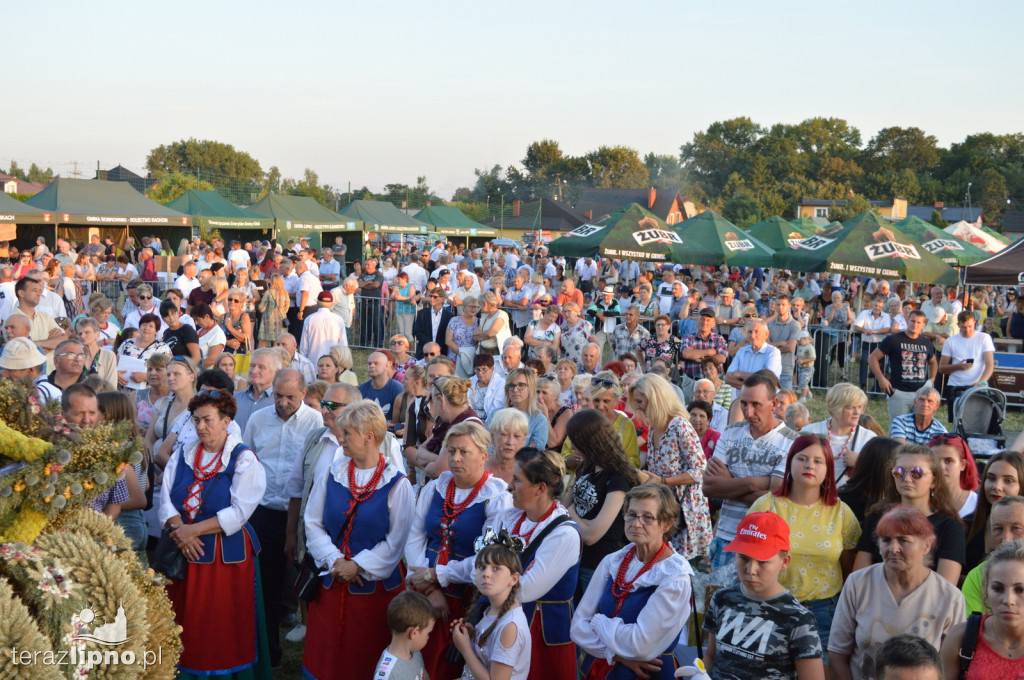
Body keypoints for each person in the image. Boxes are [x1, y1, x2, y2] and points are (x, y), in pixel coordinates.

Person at [158, 389, 270, 677]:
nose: (200, 427)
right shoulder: (184, 451)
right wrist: (180, 530)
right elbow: (166, 497)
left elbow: (239, 512)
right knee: (180, 617)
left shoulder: (243, 459)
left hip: (223, 558)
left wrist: (188, 530)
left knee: (219, 623)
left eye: (207, 420)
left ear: (226, 421)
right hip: (181, 549)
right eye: (196, 420)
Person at [444, 447, 581, 680]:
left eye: (517, 480)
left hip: (540, 634)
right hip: (500, 619)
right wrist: (442, 573)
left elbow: (524, 590)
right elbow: (482, 563)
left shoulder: (564, 535)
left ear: (540, 488)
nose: (509, 485)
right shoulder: (509, 517)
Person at [302, 400, 414, 680]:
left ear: (369, 437)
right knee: (326, 656)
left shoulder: (397, 484)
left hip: (374, 592)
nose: (342, 438)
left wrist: (358, 566)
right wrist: (335, 559)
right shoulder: (333, 472)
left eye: (348, 433)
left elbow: (396, 542)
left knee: (363, 655)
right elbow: (312, 522)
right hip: (331, 581)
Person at [404, 419, 512, 680]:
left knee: (449, 663)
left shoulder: (496, 498)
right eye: (451, 451)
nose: (456, 458)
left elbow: (486, 558)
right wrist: (428, 586)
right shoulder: (435, 487)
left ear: (484, 456)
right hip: (424, 589)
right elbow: (415, 536)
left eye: (465, 452)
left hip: (466, 595)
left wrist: (438, 575)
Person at [749, 435, 863, 662]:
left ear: (828, 470)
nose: (809, 465)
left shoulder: (841, 512)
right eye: (802, 458)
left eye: (818, 461)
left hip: (823, 610)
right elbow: (747, 559)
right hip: (771, 605)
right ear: (790, 463)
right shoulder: (766, 506)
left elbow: (850, 567)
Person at [572, 484, 695, 680]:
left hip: (647, 674)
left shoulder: (675, 576)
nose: (636, 523)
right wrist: (617, 654)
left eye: (647, 517)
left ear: (666, 523)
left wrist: (599, 622)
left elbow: (641, 646)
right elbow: (578, 627)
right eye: (631, 514)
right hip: (602, 668)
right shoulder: (614, 561)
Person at [242, 368, 322, 666]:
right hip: (262, 513)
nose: (283, 402)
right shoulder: (257, 419)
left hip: (304, 516)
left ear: (303, 393)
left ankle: (313, 652)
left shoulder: (316, 423)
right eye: (278, 395)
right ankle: (269, 652)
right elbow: (247, 460)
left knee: (308, 582)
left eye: (290, 396)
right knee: (266, 584)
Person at [831, 506, 966, 680]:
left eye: (903, 540)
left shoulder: (950, 598)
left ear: (926, 545)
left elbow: (950, 669)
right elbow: (837, 655)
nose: (893, 549)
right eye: (886, 540)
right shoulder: (858, 584)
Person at [704, 511, 826, 680]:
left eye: (762, 561)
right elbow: (711, 656)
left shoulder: (799, 618)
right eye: (743, 558)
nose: (751, 570)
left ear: (785, 562)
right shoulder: (721, 599)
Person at [703, 372, 798, 586]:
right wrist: (754, 482)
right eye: (744, 404)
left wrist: (729, 481)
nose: (748, 411)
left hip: (766, 543)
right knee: (720, 608)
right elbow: (708, 486)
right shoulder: (730, 432)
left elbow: (775, 497)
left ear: (774, 403)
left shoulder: (791, 442)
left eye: (756, 404)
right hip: (727, 537)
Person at [852, 445, 966, 585]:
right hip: (876, 601)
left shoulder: (950, 527)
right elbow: (858, 580)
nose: (907, 479)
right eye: (899, 472)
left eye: (916, 473)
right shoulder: (876, 518)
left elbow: (945, 589)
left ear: (934, 481)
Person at [629, 373, 712, 560]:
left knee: (684, 568)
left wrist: (664, 481)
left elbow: (700, 470)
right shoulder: (654, 428)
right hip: (664, 507)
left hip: (687, 511)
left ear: (655, 399)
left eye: (641, 402)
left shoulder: (680, 425)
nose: (639, 408)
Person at [563, 409, 640, 601]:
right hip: (574, 559)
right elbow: (562, 507)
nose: (571, 447)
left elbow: (592, 535)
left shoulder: (617, 478)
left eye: (575, 440)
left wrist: (571, 511)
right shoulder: (585, 467)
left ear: (589, 442)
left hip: (597, 565)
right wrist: (573, 514)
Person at [942, 539, 1024, 679]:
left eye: (1020, 589)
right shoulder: (961, 637)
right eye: (998, 588)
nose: (1008, 600)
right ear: (986, 590)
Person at [451, 541, 532, 680]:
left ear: (513, 579)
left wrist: (465, 649)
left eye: (496, 568)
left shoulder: (510, 627)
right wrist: (473, 637)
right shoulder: (492, 610)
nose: (486, 574)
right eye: (481, 567)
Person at [869, 309, 938, 423]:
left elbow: (933, 362)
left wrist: (931, 380)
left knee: (920, 427)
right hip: (899, 392)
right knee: (898, 428)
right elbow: (872, 358)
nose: (915, 324)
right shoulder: (893, 339)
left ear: (923, 324)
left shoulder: (926, 342)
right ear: (907, 321)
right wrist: (881, 379)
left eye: (918, 322)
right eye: (912, 321)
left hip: (921, 393)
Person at [961, 495, 1024, 615]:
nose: (1006, 539)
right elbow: (974, 629)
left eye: (1016, 528)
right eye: (998, 529)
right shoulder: (978, 576)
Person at [802, 383, 878, 482]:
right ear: (835, 408)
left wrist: (861, 462)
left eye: (859, 407)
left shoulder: (869, 438)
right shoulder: (809, 432)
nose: (857, 412)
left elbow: (881, 474)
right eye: (850, 407)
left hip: (850, 496)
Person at [938, 312, 995, 423]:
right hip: (956, 386)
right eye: (963, 327)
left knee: (977, 422)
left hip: (977, 386)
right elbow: (942, 368)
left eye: (970, 326)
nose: (967, 330)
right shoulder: (951, 341)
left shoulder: (984, 338)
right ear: (958, 325)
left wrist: (981, 382)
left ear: (974, 323)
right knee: (957, 421)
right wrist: (958, 366)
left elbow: (989, 365)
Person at [838, 437, 901, 523]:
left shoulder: (896, 503)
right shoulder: (843, 505)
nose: (901, 474)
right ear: (884, 470)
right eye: (898, 469)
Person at [374, 590, 434, 680]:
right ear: (414, 633)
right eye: (428, 633)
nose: (428, 637)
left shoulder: (415, 653)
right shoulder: (386, 675)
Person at [725, 318, 782, 400]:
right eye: (750, 332)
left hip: (763, 402)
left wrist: (740, 374)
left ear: (766, 334)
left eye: (756, 332)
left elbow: (767, 379)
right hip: (741, 403)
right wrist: (757, 384)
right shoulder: (741, 351)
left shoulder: (773, 353)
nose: (752, 336)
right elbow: (728, 378)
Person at [496, 367, 548, 451]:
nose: (515, 390)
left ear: (531, 388)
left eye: (521, 385)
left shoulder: (539, 420)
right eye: (511, 385)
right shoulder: (495, 415)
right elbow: (488, 447)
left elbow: (532, 454)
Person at [931, 434, 979, 523]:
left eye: (948, 461)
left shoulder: (977, 504)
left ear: (962, 465)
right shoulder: (921, 501)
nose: (941, 467)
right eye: (935, 461)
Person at [233, 347, 281, 431]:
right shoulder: (235, 399)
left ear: (276, 372)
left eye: (261, 367)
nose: (254, 371)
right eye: (252, 366)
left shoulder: (280, 402)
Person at [300, 291, 345, 365]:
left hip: (313, 363)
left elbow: (303, 347)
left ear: (317, 303)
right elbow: (343, 345)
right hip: (333, 364)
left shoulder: (309, 319)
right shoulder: (339, 319)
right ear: (331, 304)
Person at [74, 317, 118, 387]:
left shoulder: (108, 355)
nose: (82, 336)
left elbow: (111, 384)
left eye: (87, 332)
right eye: (80, 333)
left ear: (97, 335)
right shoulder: (76, 356)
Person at [445, 295, 480, 378]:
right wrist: (462, 352)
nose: (473, 309)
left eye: (475, 307)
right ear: (463, 307)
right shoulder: (454, 320)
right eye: (470, 306)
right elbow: (448, 340)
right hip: (455, 357)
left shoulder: (479, 322)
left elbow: (479, 342)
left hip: (471, 359)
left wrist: (468, 354)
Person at [413, 287, 453, 358]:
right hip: (424, 352)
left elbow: (449, 335)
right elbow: (417, 331)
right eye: (431, 296)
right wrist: (430, 344)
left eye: (435, 297)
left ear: (442, 299)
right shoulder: (422, 313)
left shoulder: (449, 316)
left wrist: (438, 346)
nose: (432, 299)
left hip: (442, 352)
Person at [258, 273, 289, 348]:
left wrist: (262, 307)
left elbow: (261, 307)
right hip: (281, 319)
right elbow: (287, 307)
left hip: (268, 319)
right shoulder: (285, 292)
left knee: (263, 341)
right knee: (277, 342)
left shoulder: (269, 292)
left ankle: (262, 357)